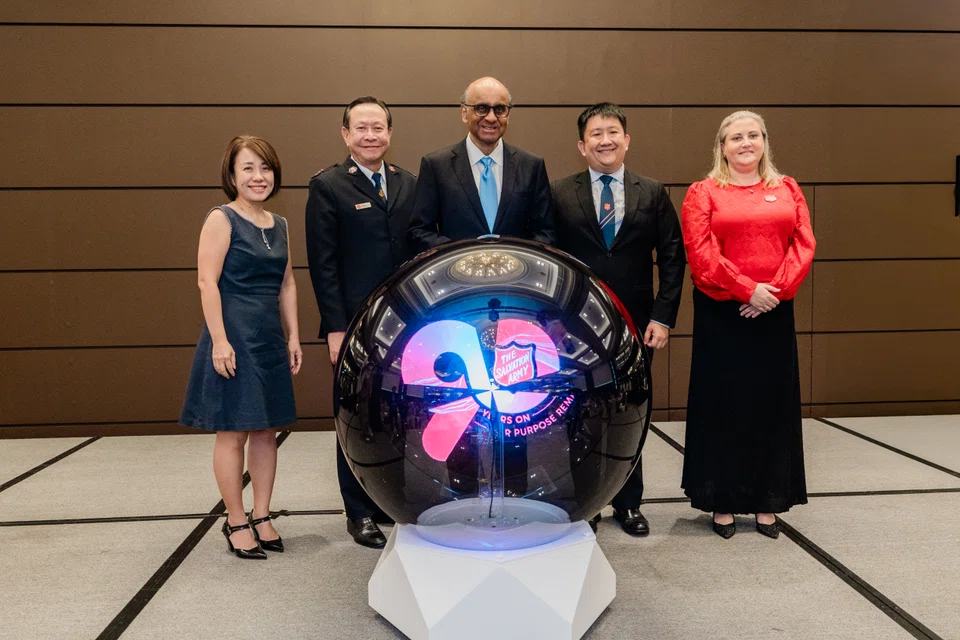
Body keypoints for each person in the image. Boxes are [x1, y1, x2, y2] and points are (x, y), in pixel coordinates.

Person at [680, 111, 816, 539]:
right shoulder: (703, 193)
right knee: (725, 404)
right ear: (722, 146)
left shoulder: (787, 188)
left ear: (764, 142)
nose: (745, 143)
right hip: (723, 315)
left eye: (752, 135)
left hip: (773, 311)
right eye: (735, 137)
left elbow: (803, 244)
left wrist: (770, 291)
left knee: (770, 405)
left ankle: (767, 498)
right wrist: (746, 289)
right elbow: (700, 255)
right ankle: (722, 499)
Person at [551, 103, 685, 536]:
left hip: (637, 324)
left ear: (627, 140)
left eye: (613, 132)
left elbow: (672, 258)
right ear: (581, 145)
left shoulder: (652, 191)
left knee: (630, 414)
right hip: (575, 327)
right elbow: (549, 258)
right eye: (595, 134)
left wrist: (663, 318)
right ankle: (584, 502)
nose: (604, 140)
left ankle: (629, 503)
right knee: (578, 413)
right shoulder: (559, 193)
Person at [180, 136, 302, 559]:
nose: (258, 176)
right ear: (232, 175)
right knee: (233, 432)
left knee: (267, 431)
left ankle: (263, 514)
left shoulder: (281, 224)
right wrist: (218, 340)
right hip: (233, 335)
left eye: (264, 168)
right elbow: (206, 282)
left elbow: (287, 283)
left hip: (268, 337)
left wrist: (293, 336)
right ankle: (234, 520)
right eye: (247, 168)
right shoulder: (221, 218)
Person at [305, 96, 417, 548]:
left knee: (402, 413)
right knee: (356, 416)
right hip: (354, 325)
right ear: (346, 134)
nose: (371, 135)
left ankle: (391, 502)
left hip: (406, 325)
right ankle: (359, 511)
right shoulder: (329, 186)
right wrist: (336, 328)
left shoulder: (408, 183)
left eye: (379, 128)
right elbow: (323, 264)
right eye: (361, 128)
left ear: (389, 133)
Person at [407, 76, 555, 251]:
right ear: (464, 113)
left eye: (499, 109)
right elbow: (420, 232)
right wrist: (460, 254)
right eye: (482, 108)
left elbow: (547, 233)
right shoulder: (436, 166)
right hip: (455, 275)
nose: (491, 118)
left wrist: (518, 255)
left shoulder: (532, 166)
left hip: (517, 276)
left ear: (508, 115)